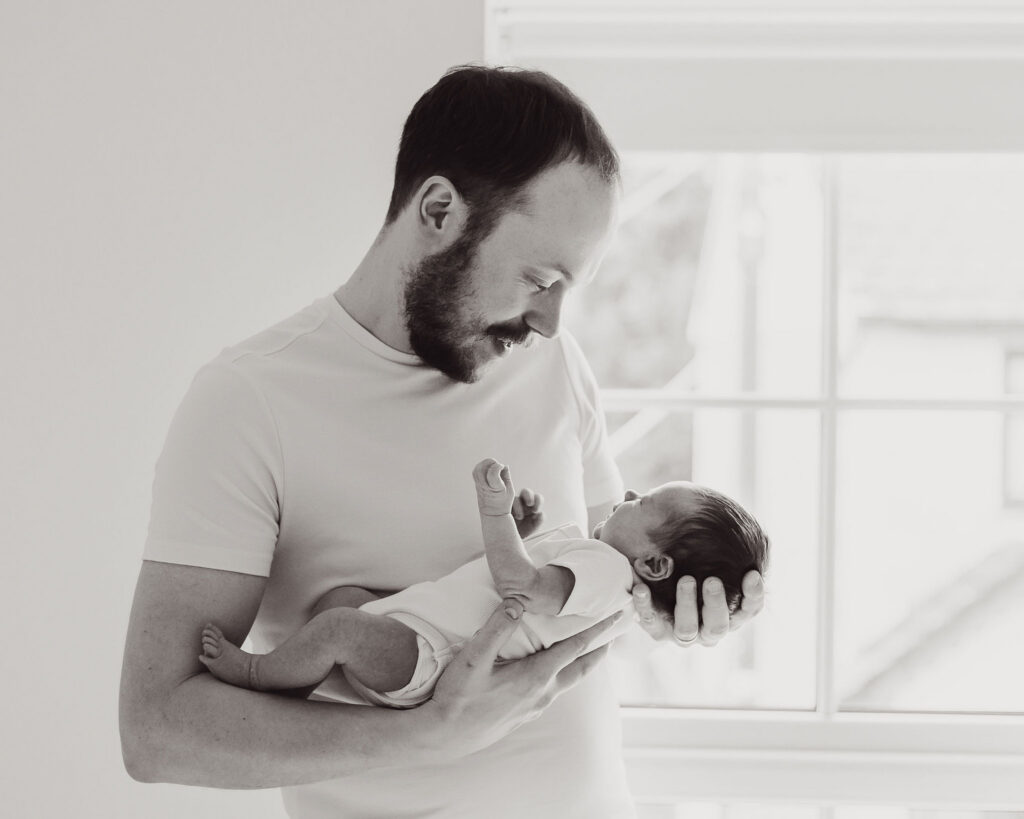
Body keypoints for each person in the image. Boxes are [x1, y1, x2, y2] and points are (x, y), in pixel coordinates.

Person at [119, 64, 765, 818]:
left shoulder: (554, 364)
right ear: (438, 210)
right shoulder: (249, 402)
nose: (550, 322)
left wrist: (672, 607)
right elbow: (157, 732)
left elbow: (596, 582)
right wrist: (425, 735)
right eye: (539, 279)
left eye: (569, 291)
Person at [197, 459, 770, 709]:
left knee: (340, 626)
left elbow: (520, 587)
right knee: (340, 606)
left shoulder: (608, 573)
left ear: (655, 567)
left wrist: (494, 514)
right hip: (422, 638)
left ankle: (256, 674)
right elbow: (525, 584)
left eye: (643, 503)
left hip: (434, 659)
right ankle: (295, 680)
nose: (626, 495)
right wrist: (522, 533)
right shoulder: (607, 581)